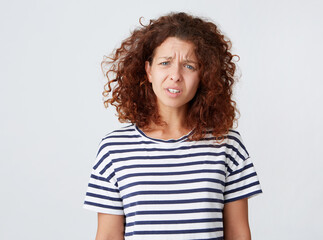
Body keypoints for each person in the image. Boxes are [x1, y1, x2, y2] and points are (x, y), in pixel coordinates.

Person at [83, 12, 262, 240]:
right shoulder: (114, 149)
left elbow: (238, 234)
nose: (175, 76)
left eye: (189, 66)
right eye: (165, 63)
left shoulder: (227, 145)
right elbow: (108, 236)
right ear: (148, 70)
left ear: (203, 74)